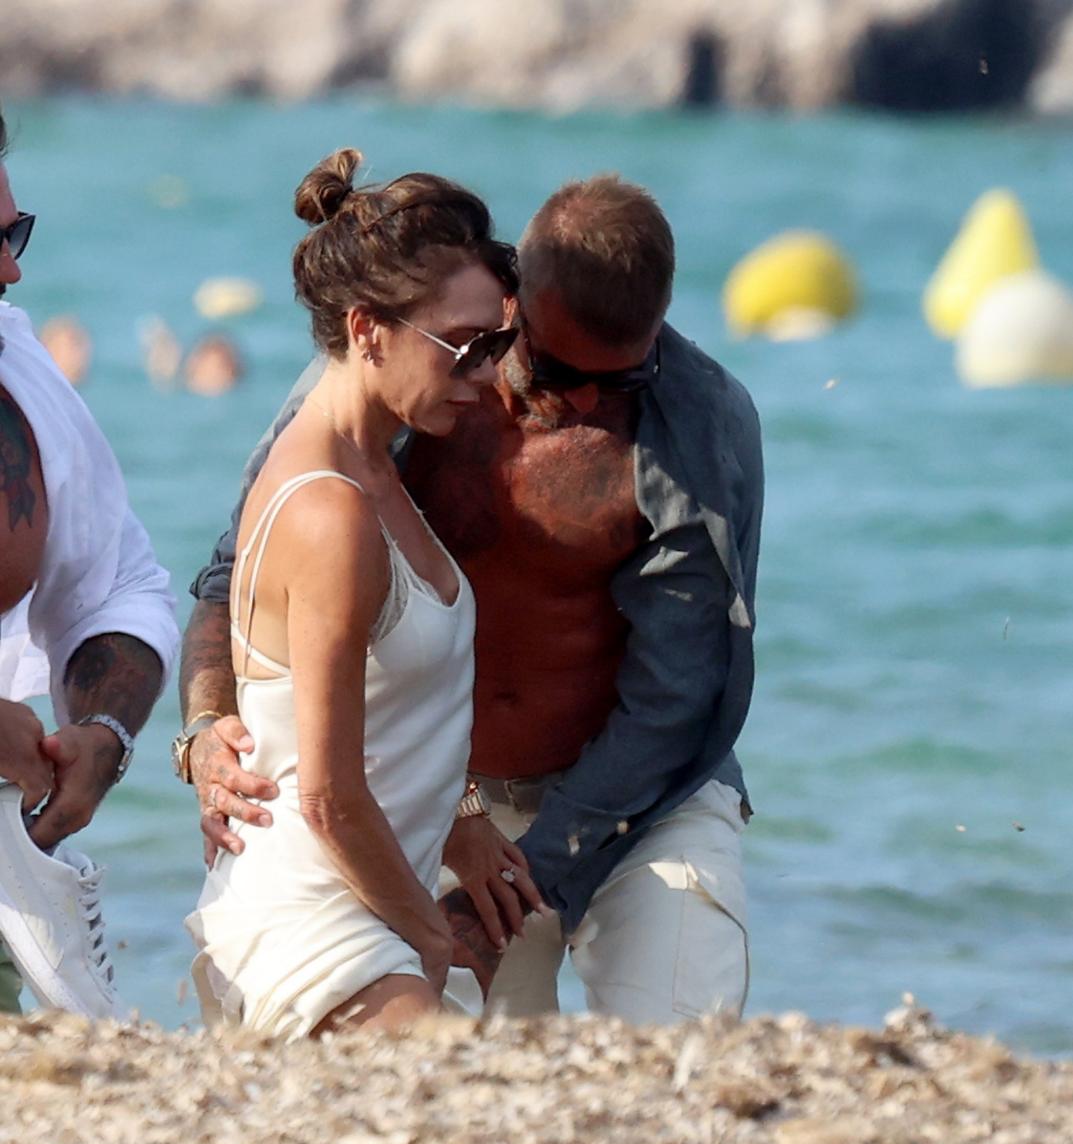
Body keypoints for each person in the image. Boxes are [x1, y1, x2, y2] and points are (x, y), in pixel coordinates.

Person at [181, 172, 762, 1025]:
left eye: (626, 379)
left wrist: (539, 873)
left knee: (685, 1049)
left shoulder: (699, 422)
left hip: (644, 796)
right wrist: (204, 727)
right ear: (510, 305)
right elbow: (238, 579)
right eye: (557, 366)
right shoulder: (403, 379)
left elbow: (677, 695)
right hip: (448, 798)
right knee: (481, 1090)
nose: (590, 399)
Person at [183, 148, 520, 1040]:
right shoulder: (329, 508)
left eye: (499, 342)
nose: (487, 376)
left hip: (365, 913)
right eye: (464, 347)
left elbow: (381, 714)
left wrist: (461, 815)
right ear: (368, 330)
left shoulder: (377, 465)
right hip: (316, 931)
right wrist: (426, 938)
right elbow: (326, 796)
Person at [0, 105, 179, 1018]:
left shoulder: (17, 373)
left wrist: (104, 731)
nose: (11, 267)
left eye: (14, 232)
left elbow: (116, 585)